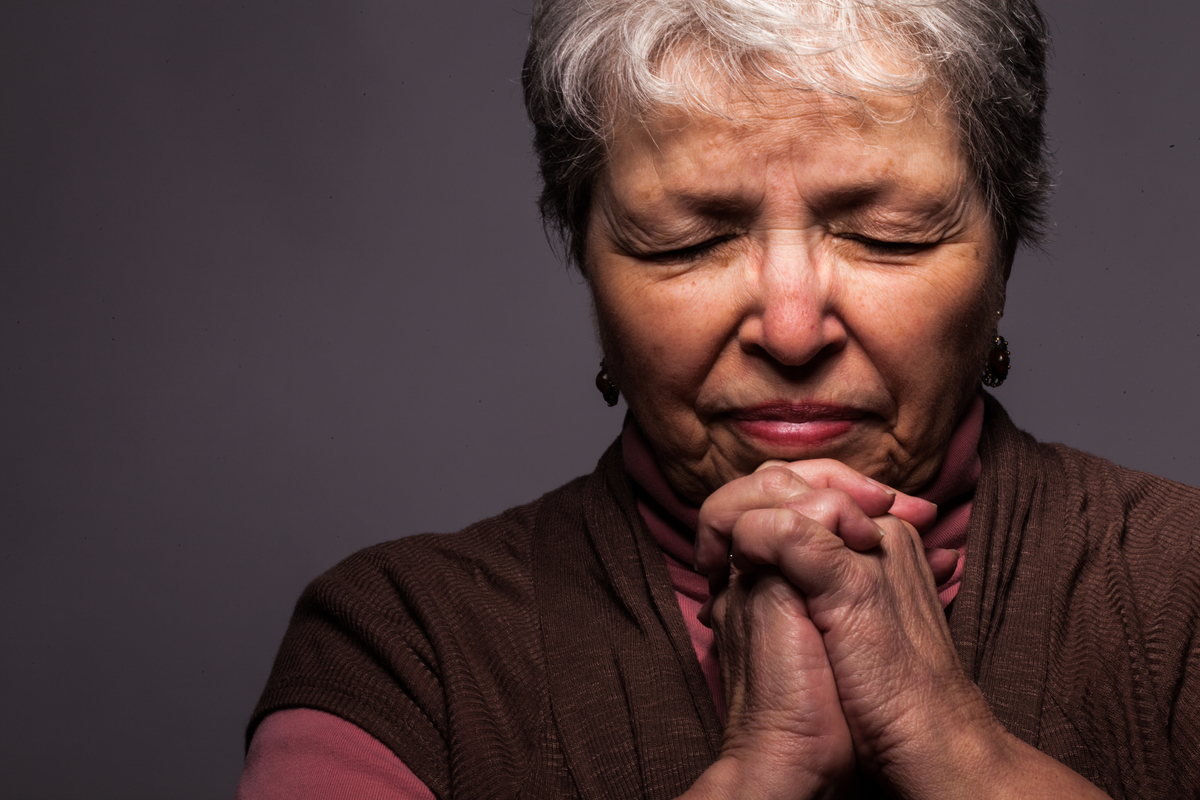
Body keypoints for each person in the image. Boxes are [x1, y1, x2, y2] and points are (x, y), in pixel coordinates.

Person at [237, 0, 1200, 797]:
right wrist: (759, 774)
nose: (790, 329)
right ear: (587, 261)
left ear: (1003, 256)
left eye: (891, 234)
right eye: (684, 243)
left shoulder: (1181, 589)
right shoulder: (406, 657)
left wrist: (963, 755)